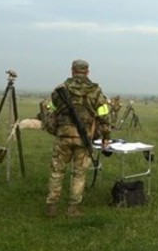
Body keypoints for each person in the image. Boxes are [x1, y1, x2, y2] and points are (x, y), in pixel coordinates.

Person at [45, 59, 111, 218]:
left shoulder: (61, 89)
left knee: (57, 171)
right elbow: (104, 116)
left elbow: (50, 110)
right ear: (87, 72)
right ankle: (73, 208)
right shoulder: (96, 91)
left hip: (63, 137)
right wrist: (106, 138)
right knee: (79, 174)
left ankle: (52, 206)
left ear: (72, 70)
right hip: (84, 138)